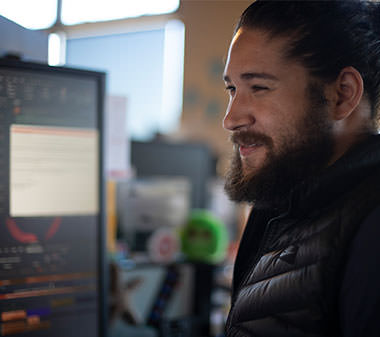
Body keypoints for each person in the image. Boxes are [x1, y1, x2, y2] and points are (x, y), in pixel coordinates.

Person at [222, 1, 380, 336]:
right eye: (232, 89)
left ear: (342, 95)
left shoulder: (371, 225)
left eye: (258, 88)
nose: (231, 118)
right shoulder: (279, 202)